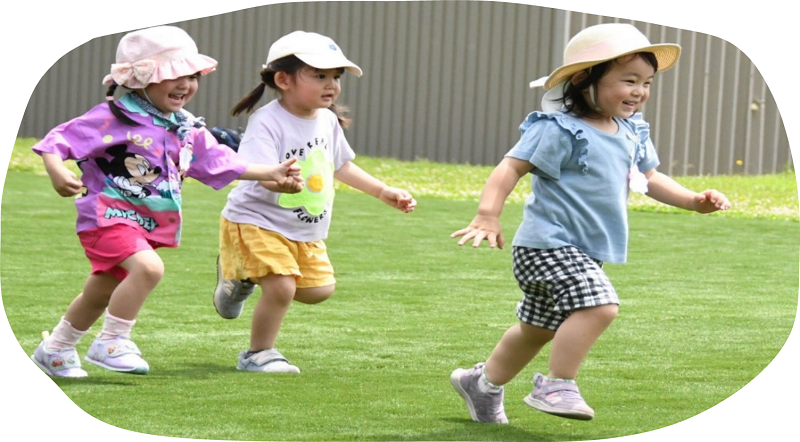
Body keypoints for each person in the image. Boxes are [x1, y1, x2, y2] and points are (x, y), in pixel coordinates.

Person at [449, 23, 731, 423]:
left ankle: (481, 385)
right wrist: (487, 214)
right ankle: (557, 385)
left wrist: (693, 201)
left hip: (583, 251)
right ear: (584, 79)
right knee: (600, 306)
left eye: (647, 83)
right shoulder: (557, 128)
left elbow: (649, 177)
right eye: (629, 80)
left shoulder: (632, 131)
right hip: (546, 245)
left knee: (537, 329)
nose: (639, 91)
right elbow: (510, 168)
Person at [29, 25, 304, 378]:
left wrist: (272, 172)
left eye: (192, 76)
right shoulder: (113, 117)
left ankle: (55, 349)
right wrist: (56, 170)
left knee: (100, 291)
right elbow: (59, 140)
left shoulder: (184, 126)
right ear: (142, 78)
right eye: (174, 75)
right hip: (106, 218)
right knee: (149, 269)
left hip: (144, 224)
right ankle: (112, 341)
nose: (186, 84)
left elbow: (219, 161)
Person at [212, 30, 416, 373]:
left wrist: (383, 191)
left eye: (336, 77)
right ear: (283, 79)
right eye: (320, 75)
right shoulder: (267, 121)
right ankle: (258, 354)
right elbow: (256, 169)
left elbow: (341, 165)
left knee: (319, 290)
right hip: (256, 220)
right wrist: (278, 179)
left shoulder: (327, 120)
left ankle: (241, 275)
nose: (331, 85)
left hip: (303, 227)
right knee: (281, 287)